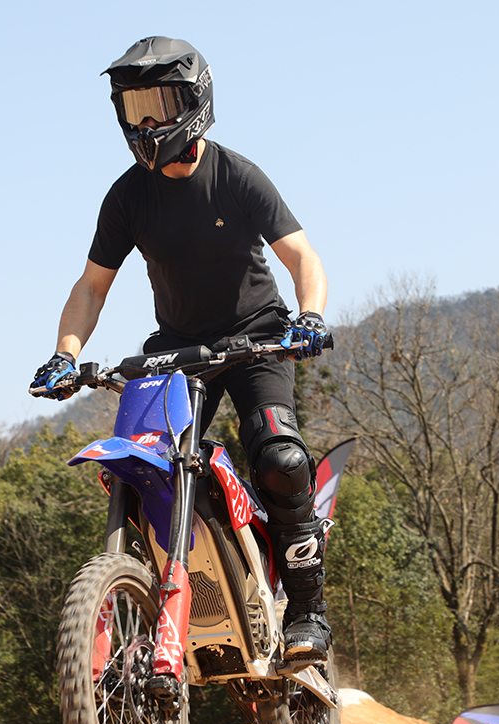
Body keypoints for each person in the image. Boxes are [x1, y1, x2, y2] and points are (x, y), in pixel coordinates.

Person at [29, 36, 333, 661]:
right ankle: (155, 596)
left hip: (256, 338)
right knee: (139, 468)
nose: (145, 123)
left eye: (159, 105)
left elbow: (302, 256)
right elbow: (91, 287)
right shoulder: (127, 196)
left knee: (280, 458)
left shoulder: (237, 175)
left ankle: (307, 614)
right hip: (177, 349)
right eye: (133, 108)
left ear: (196, 102)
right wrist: (65, 354)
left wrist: (308, 317)